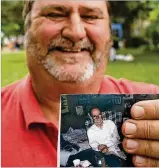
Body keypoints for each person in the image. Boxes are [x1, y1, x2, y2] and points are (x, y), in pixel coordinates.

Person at [2, 0, 159, 167]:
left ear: (109, 33)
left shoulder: (152, 106)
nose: (75, 32)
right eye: (55, 14)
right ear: (27, 28)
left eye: (90, 16)